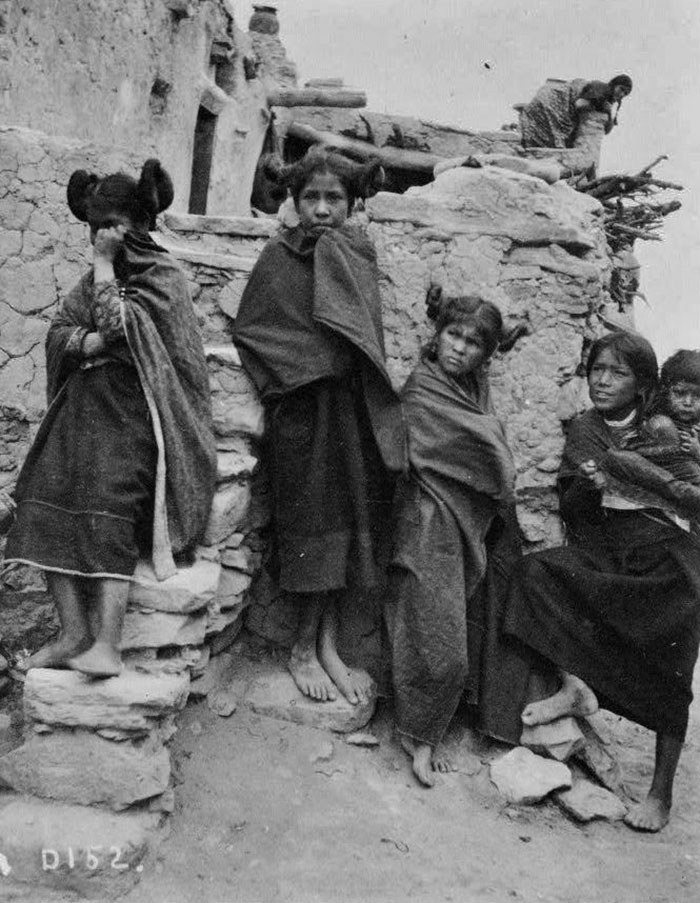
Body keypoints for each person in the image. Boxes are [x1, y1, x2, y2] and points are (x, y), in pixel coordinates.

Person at [4, 160, 216, 677]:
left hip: (137, 417)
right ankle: (74, 631)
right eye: (98, 227)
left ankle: (108, 644)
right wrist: (87, 341)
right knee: (41, 499)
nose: (106, 236)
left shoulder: (161, 276)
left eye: (117, 225)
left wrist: (104, 292)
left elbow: (121, 326)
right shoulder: (91, 279)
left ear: (140, 226)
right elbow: (61, 330)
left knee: (108, 503)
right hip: (80, 415)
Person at [497, 331, 700, 832]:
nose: (602, 381)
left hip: (672, 560)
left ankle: (660, 793)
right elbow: (572, 509)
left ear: (642, 384)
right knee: (536, 574)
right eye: (596, 370)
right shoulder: (588, 428)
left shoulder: (670, 425)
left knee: (674, 660)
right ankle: (574, 683)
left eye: (617, 373)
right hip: (611, 553)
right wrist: (588, 486)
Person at [232, 147, 406, 706]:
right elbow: (256, 330)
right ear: (294, 202)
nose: (324, 210)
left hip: (352, 410)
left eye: (335, 198)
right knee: (310, 523)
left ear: (351, 204)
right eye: (312, 198)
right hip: (304, 412)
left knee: (350, 519)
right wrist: (309, 367)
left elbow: (363, 333)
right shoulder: (278, 257)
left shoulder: (357, 253)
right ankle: (301, 646)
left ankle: (329, 640)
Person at [387, 288, 520, 787]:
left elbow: (483, 446)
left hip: (462, 521)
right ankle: (416, 735)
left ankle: (426, 730)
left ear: (486, 354)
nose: (460, 348)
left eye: (473, 343)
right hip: (424, 519)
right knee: (438, 637)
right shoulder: (423, 389)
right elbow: (472, 451)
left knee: (451, 628)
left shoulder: (473, 389)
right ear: (437, 335)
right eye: (453, 335)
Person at [520, 74, 633, 148]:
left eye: (625, 93)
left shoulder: (610, 101)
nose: (621, 94)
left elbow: (607, 130)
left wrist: (608, 111)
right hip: (553, 100)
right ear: (614, 85)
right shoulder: (602, 89)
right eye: (621, 89)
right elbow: (579, 104)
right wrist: (598, 107)